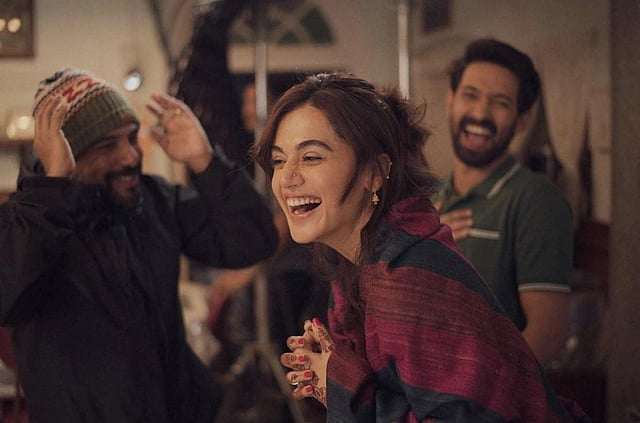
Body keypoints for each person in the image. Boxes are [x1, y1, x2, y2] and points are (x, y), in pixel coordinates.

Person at [252, 72, 590, 422]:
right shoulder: (352, 263)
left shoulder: (405, 279)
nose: (286, 178)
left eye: (311, 157)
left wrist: (343, 388)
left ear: (375, 172)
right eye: (278, 160)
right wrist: (335, 374)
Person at [0, 68, 278, 422]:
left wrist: (206, 161)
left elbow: (254, 240)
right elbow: (7, 297)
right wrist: (52, 190)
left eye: (132, 138)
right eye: (107, 146)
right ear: (65, 155)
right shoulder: (24, 223)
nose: (131, 156)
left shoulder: (155, 200)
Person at [436, 38, 574, 366]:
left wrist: (475, 393)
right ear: (450, 100)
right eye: (470, 95)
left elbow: (547, 333)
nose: (480, 114)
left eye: (500, 102)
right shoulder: (430, 198)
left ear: (522, 119)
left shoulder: (536, 199)